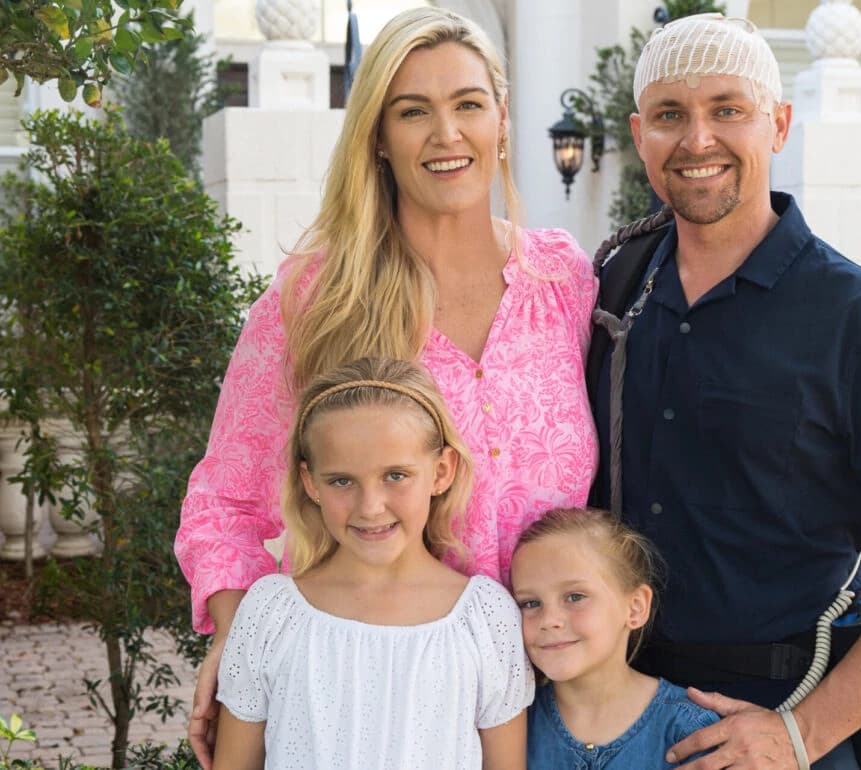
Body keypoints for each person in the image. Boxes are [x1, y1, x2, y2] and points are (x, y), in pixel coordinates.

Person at [175, 7, 597, 768]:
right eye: (413, 111)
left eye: (468, 104)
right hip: (383, 711)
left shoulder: (562, 280)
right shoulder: (318, 297)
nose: (447, 134)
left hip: (570, 699)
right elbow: (223, 504)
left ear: (502, 120)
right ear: (377, 135)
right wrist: (243, 647)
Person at [587, 13, 861, 770]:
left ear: (777, 124)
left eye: (728, 110)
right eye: (672, 115)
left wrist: (801, 733)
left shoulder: (858, 317)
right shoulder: (612, 287)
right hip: (618, 714)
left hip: (784, 723)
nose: (698, 139)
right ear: (640, 133)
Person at [211, 357, 533, 770]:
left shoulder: (485, 616)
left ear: (441, 471)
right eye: (342, 481)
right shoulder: (271, 611)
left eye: (396, 475)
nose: (371, 506)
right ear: (311, 483)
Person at [510, 507, 718, 768]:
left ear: (635, 607)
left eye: (575, 597)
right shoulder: (513, 724)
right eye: (530, 603)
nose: (549, 620)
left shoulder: (686, 729)